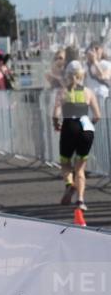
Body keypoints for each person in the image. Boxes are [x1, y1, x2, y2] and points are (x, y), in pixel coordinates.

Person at [52, 60, 102, 212]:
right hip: (86, 129)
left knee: (65, 162)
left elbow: (55, 114)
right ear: (82, 75)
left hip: (69, 127)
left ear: (67, 75)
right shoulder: (88, 92)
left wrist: (56, 124)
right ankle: (80, 200)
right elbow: (98, 115)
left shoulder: (63, 92)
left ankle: (69, 184)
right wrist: (90, 123)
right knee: (80, 168)